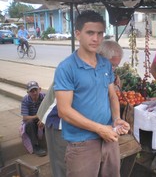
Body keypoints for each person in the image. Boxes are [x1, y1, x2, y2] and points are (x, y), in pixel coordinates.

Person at [54, 10, 130, 177]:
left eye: (100, 33)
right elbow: (64, 111)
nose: (96, 39)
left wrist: (116, 119)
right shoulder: (66, 68)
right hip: (82, 143)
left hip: (110, 137)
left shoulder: (105, 64)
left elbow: (112, 96)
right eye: (90, 33)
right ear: (78, 34)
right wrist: (99, 129)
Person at [36, 40, 124, 177]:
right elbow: (64, 111)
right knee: (63, 165)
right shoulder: (73, 68)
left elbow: (109, 93)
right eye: (112, 65)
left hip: (77, 124)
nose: (112, 69)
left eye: (115, 67)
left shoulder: (101, 69)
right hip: (57, 120)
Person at [20, 81, 46, 157]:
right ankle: (36, 146)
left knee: (51, 120)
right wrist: (38, 116)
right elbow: (25, 118)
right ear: (28, 92)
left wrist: (43, 119)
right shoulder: (25, 100)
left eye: (36, 90)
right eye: (31, 91)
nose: (34, 93)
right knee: (30, 123)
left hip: (43, 118)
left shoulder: (45, 97)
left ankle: (54, 143)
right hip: (33, 120)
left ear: (39, 89)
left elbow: (50, 110)